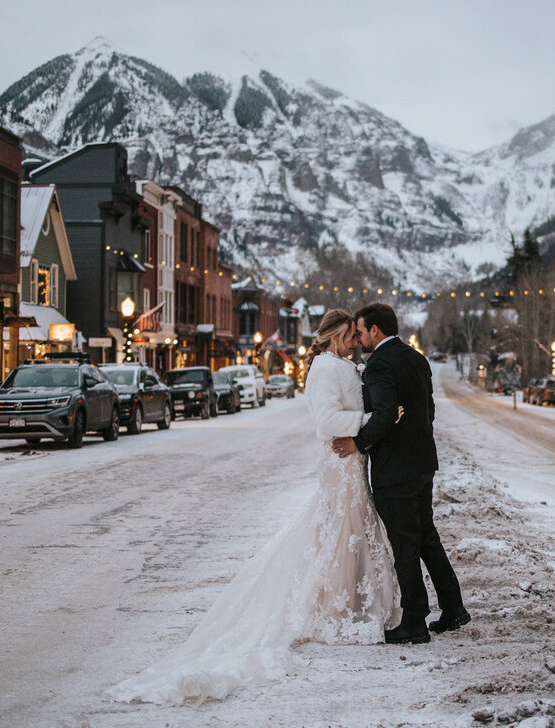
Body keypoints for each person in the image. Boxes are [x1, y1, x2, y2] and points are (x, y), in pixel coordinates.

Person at [108, 309, 402, 704]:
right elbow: (326, 421)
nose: (355, 340)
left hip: (354, 460)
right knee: (342, 532)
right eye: (350, 334)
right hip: (339, 460)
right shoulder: (324, 369)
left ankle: (348, 602)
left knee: (349, 533)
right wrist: (371, 418)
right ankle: (334, 610)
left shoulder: (345, 366)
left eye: (356, 334)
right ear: (334, 336)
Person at [332, 302, 469, 645]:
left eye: (361, 331)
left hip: (395, 469)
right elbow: (429, 410)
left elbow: (384, 414)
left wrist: (357, 443)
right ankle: (453, 608)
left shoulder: (379, 364)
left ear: (375, 330)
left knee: (405, 544)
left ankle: (414, 621)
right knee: (426, 538)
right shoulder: (416, 358)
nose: (359, 338)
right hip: (423, 462)